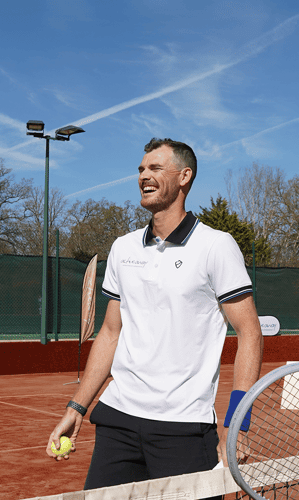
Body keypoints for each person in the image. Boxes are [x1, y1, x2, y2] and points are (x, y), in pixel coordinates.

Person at [46, 138, 263, 493]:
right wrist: (77, 407)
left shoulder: (216, 245)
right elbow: (110, 333)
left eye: (155, 168)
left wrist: (238, 421)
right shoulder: (123, 248)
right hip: (117, 421)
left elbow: (250, 333)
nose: (144, 175)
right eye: (141, 169)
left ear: (184, 177)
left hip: (184, 428)